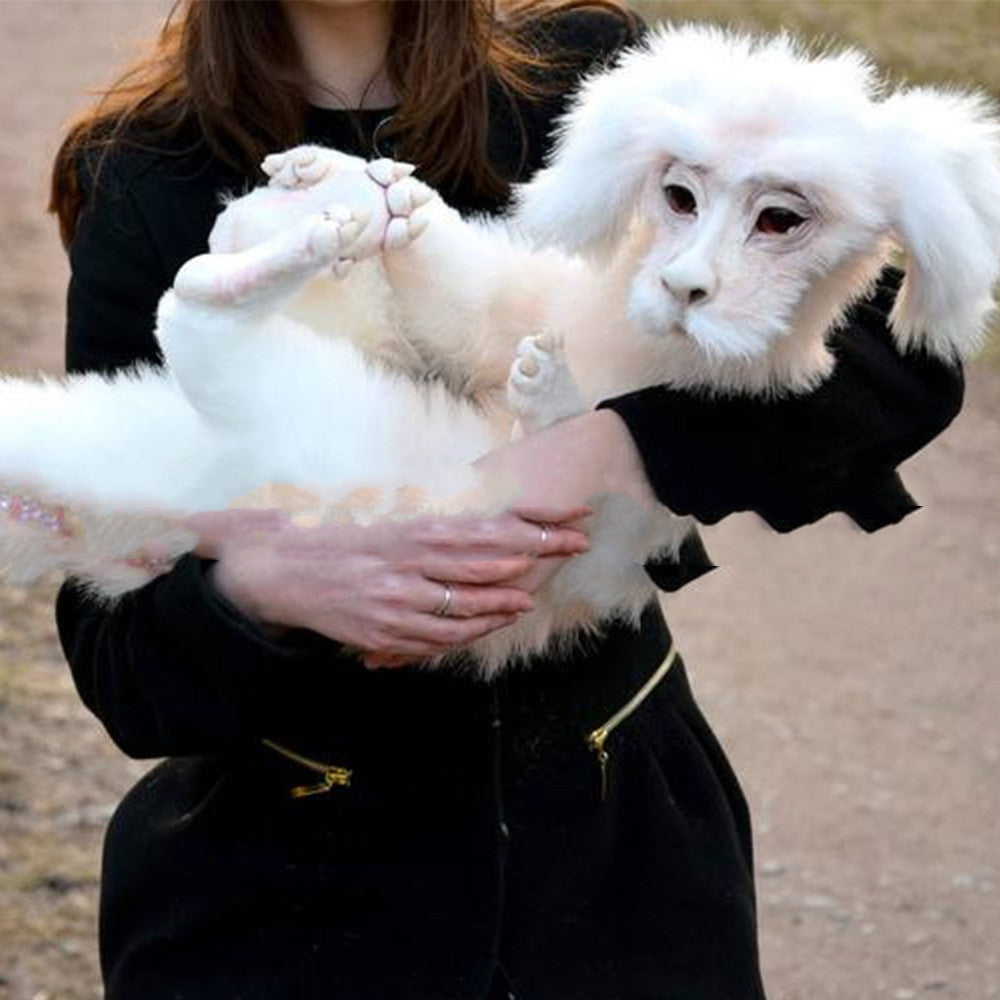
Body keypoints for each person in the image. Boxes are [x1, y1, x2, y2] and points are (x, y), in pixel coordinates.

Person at [49, 2, 963, 998]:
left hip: (618, 854)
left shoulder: (589, 74)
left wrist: (621, 447)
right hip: (285, 885)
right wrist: (260, 587)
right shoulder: (141, 170)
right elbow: (117, 642)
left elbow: (900, 359)